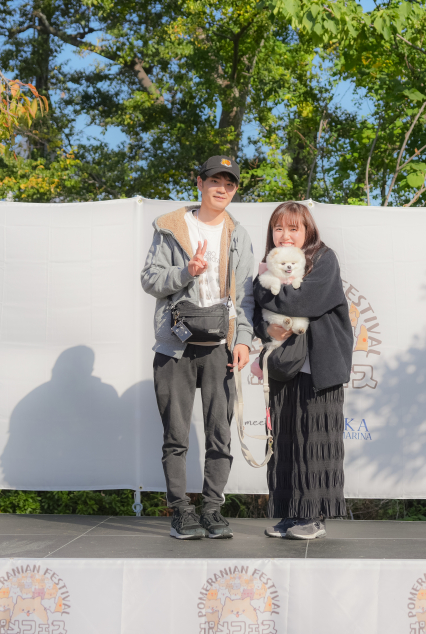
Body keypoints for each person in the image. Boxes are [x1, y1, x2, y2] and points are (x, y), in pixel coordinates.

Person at [140, 156, 255, 540]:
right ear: (200, 183)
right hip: (175, 345)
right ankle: (180, 511)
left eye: (230, 184)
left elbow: (246, 297)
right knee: (176, 435)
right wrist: (185, 272)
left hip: (221, 345)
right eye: (215, 181)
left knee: (219, 433)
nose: (222, 189)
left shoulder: (238, 235)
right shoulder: (170, 227)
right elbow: (150, 279)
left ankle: (211, 509)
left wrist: (243, 340)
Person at [253, 202, 354, 540]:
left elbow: (302, 302)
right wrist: (266, 325)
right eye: (279, 228)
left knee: (315, 440)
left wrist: (263, 292)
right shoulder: (268, 263)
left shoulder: (323, 259)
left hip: (319, 366)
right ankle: (289, 515)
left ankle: (313, 517)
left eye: (293, 228)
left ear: (307, 231)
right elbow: (257, 315)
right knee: (284, 442)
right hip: (285, 366)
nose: (285, 235)